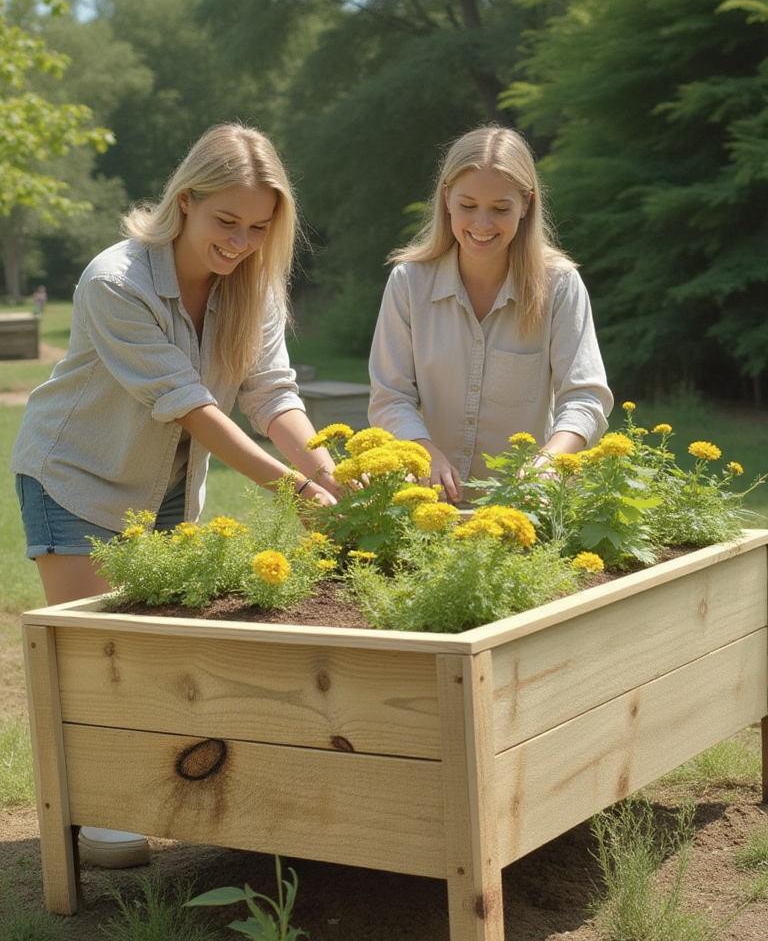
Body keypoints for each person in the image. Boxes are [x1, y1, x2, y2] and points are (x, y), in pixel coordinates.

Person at [12, 122, 338, 867]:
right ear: (185, 201)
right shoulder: (115, 280)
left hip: (164, 490)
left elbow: (271, 393)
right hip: (78, 474)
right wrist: (288, 489)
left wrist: (329, 474)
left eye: (259, 228)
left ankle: (132, 790)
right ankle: (98, 817)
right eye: (226, 221)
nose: (241, 241)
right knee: (93, 655)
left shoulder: (251, 286)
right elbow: (188, 403)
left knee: (156, 655)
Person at [368, 125, 613, 501]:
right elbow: (390, 397)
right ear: (446, 198)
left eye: (501, 209)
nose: (482, 225)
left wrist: (547, 463)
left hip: (527, 505)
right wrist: (425, 453)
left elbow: (584, 398)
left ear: (527, 204)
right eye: (468, 206)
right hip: (428, 504)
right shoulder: (409, 282)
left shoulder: (560, 286)